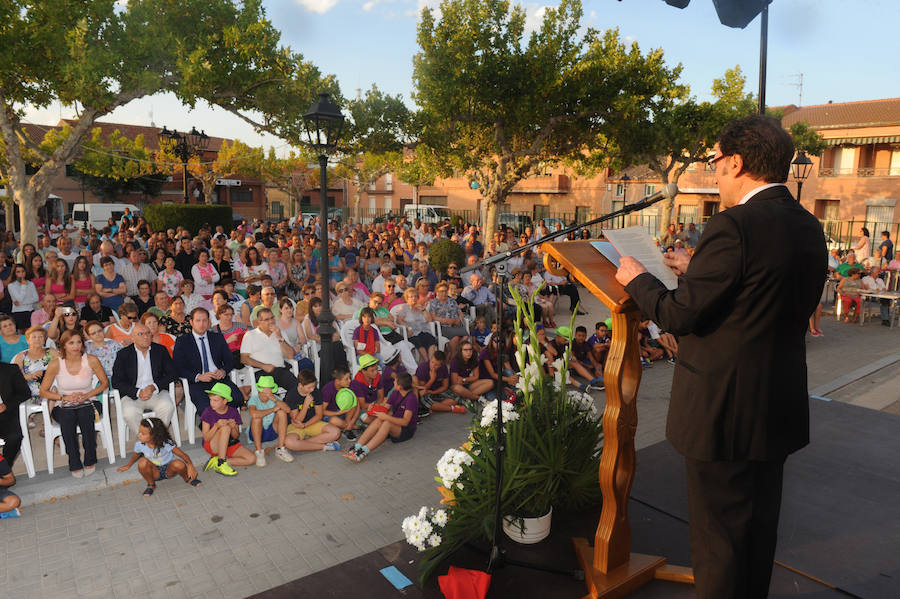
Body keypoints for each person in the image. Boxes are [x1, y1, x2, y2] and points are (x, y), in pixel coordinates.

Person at [615, 115, 826, 599]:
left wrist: (637, 278)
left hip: (724, 414)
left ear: (737, 161)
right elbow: (761, 293)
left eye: (714, 162)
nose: (713, 173)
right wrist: (697, 268)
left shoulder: (734, 225)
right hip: (777, 406)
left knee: (718, 546)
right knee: (756, 534)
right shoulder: (807, 225)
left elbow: (679, 316)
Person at [39, 330, 110, 477]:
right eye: (71, 343)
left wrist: (87, 395)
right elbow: (44, 391)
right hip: (64, 404)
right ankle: (74, 460)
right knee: (67, 418)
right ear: (63, 345)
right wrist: (64, 397)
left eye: (78, 342)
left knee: (85, 414)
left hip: (89, 401)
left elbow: (104, 384)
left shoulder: (91, 360)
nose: (76, 346)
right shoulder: (55, 364)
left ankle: (90, 458)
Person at [173, 307, 243, 415]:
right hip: (197, 383)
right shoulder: (182, 341)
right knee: (207, 408)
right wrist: (198, 376)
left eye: (205, 320)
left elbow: (230, 360)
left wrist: (223, 371)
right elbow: (178, 367)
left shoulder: (217, 338)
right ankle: (219, 427)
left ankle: (225, 424)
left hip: (219, 380)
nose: (202, 324)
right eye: (198, 320)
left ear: (209, 322)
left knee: (238, 398)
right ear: (191, 322)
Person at [111, 323, 176, 439]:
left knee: (167, 407)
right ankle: (146, 441)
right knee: (129, 413)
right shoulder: (123, 354)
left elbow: (172, 373)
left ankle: (157, 440)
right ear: (133, 338)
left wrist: (154, 387)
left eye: (147, 333)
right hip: (133, 394)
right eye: (140, 334)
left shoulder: (160, 350)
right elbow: (116, 381)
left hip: (156, 392)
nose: (145, 337)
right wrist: (137, 392)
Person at [343, 372, 417, 463]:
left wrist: (386, 417)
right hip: (395, 423)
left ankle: (363, 452)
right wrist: (371, 410)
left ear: (400, 386)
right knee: (380, 419)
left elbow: (405, 422)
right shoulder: (395, 393)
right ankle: (357, 447)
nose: (393, 382)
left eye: (395, 381)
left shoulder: (411, 399)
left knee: (387, 423)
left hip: (406, 430)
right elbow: (384, 409)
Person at [116, 417, 201, 497]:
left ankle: (188, 478)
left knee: (179, 464)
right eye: (139, 432)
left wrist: (190, 465)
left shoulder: (166, 443)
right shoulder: (140, 445)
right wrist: (128, 465)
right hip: (154, 471)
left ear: (154, 435)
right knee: (142, 462)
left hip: (169, 469)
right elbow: (135, 456)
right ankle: (151, 484)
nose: (139, 435)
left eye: (143, 434)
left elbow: (182, 455)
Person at [239, 307, 302, 409]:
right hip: (260, 371)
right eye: (267, 319)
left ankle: (287, 409)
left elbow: (290, 355)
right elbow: (244, 358)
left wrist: (280, 337)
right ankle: (280, 409)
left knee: (296, 387)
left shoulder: (280, 332)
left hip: (279, 370)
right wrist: (263, 366)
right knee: (267, 390)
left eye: (272, 318)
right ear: (259, 322)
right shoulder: (250, 335)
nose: (271, 321)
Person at [200, 382, 255, 476]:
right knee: (225, 428)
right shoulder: (207, 412)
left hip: (229, 444)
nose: (212, 403)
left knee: (252, 459)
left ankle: (217, 461)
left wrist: (233, 427)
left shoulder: (233, 412)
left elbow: (236, 436)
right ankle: (221, 463)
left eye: (215, 400)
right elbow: (206, 438)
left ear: (225, 401)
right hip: (213, 444)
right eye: (211, 400)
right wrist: (216, 426)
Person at [283, 369, 342, 453]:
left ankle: (304, 444)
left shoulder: (316, 392)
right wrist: (306, 405)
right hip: (296, 426)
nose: (312, 389)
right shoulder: (291, 395)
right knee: (289, 442)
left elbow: (319, 415)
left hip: (312, 422)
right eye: (309, 387)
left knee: (336, 432)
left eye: (314, 386)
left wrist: (305, 425)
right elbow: (297, 420)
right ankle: (324, 446)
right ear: (300, 385)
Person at [246, 376, 294, 466]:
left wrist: (275, 400)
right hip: (255, 434)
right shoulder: (254, 399)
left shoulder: (275, 398)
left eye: (269, 391)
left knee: (282, 412)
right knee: (257, 418)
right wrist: (272, 409)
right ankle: (259, 451)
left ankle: (281, 449)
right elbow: (253, 414)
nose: (267, 394)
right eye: (265, 391)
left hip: (272, 431)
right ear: (260, 390)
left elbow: (288, 410)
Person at [0, 360, 30, 468]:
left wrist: (6, 405)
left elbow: (25, 393)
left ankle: (4, 470)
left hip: (6, 415)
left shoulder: (10, 369)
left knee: (14, 436)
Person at [320, 365, 360, 439]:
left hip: (345, 414)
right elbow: (322, 411)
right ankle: (352, 427)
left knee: (352, 404)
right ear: (338, 381)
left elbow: (357, 405)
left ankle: (347, 426)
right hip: (331, 414)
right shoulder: (328, 389)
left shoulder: (349, 386)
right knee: (333, 420)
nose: (349, 381)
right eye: (346, 379)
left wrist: (352, 421)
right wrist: (338, 413)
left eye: (349, 378)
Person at [7, 264, 39, 332]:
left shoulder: (31, 284)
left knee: (31, 332)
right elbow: (19, 298)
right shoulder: (11, 285)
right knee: (21, 334)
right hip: (18, 313)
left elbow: (36, 298)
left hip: (30, 311)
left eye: (23, 271)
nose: (21, 274)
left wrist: (21, 303)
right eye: (18, 272)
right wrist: (23, 286)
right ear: (14, 273)